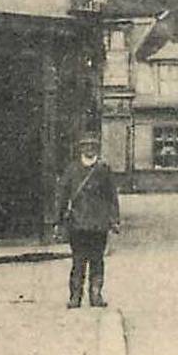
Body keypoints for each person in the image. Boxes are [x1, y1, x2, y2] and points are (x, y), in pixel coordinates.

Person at [56, 131, 120, 309]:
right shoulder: (72, 169)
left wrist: (114, 219)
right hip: (78, 223)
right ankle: (75, 295)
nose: (89, 148)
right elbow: (63, 195)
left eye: (92, 145)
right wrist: (59, 219)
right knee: (78, 260)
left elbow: (112, 196)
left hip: (99, 224)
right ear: (80, 148)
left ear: (97, 148)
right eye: (86, 145)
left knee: (97, 259)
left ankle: (96, 294)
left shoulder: (103, 170)